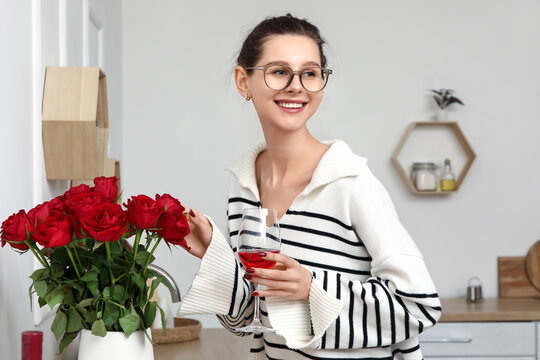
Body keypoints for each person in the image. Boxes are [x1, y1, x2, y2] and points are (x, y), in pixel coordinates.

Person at [179, 13, 441, 360]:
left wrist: (311, 290)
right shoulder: (243, 184)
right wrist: (217, 256)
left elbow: (419, 306)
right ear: (244, 81)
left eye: (310, 73)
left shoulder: (350, 181)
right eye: (278, 71)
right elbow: (249, 319)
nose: (296, 86)